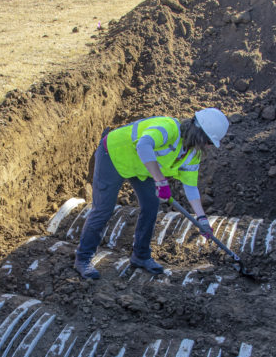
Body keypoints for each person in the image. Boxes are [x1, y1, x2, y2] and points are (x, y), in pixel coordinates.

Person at [74, 108, 230, 279]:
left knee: (151, 205)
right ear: (200, 134)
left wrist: (202, 219)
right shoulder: (168, 127)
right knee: (103, 209)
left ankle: (141, 256)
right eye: (208, 141)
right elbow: (143, 144)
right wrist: (160, 180)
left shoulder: (192, 154)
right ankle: (83, 259)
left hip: (141, 167)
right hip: (113, 155)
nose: (208, 146)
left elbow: (191, 188)